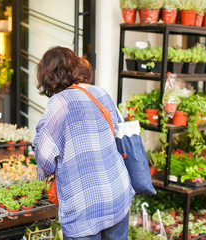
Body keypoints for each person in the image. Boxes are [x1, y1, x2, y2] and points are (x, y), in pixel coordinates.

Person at [33, 46, 134, 240]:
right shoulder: (101, 93)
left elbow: (45, 160)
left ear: (48, 76)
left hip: (85, 205)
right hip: (117, 192)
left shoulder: (59, 104)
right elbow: (117, 133)